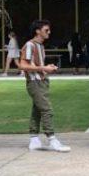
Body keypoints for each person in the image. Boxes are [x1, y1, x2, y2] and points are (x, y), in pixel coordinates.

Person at [19, 19, 70, 152]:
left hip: (41, 81)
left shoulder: (40, 46)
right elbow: (23, 65)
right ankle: (51, 138)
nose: (49, 32)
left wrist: (47, 68)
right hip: (34, 82)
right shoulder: (30, 45)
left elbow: (36, 65)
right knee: (47, 109)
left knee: (37, 110)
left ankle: (34, 139)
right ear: (37, 31)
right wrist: (44, 68)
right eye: (46, 30)